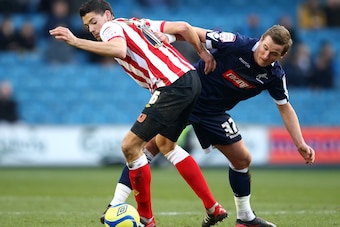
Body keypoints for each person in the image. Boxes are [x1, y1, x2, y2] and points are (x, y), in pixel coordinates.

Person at [109, 24, 316, 227]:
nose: (265, 55)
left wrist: (300, 143)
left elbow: (285, 107)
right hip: (189, 96)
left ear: (282, 56)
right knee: (149, 147)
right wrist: (169, 38)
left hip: (214, 113)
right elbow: (190, 31)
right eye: (265, 48)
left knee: (242, 159)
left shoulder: (275, 76)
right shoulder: (236, 43)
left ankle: (244, 216)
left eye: (273, 53)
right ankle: (116, 204)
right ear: (260, 40)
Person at [49, 0, 227, 226]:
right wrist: (203, 53)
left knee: (129, 146)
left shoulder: (110, 28)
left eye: (94, 21)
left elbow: (119, 49)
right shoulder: (138, 23)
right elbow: (183, 27)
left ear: (107, 15)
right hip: (190, 79)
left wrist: (76, 41)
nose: (93, 29)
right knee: (166, 145)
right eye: (87, 26)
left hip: (171, 84)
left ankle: (146, 220)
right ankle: (213, 207)